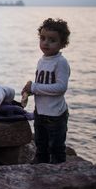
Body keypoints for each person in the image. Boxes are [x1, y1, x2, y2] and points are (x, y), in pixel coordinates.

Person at [21, 18, 71, 164]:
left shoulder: (60, 62)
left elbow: (61, 88)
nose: (46, 43)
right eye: (42, 38)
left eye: (52, 40)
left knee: (56, 147)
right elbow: (44, 85)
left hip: (55, 115)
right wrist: (30, 91)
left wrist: (35, 87)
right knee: (40, 144)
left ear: (62, 43)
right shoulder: (42, 60)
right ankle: (40, 168)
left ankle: (58, 174)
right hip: (40, 112)